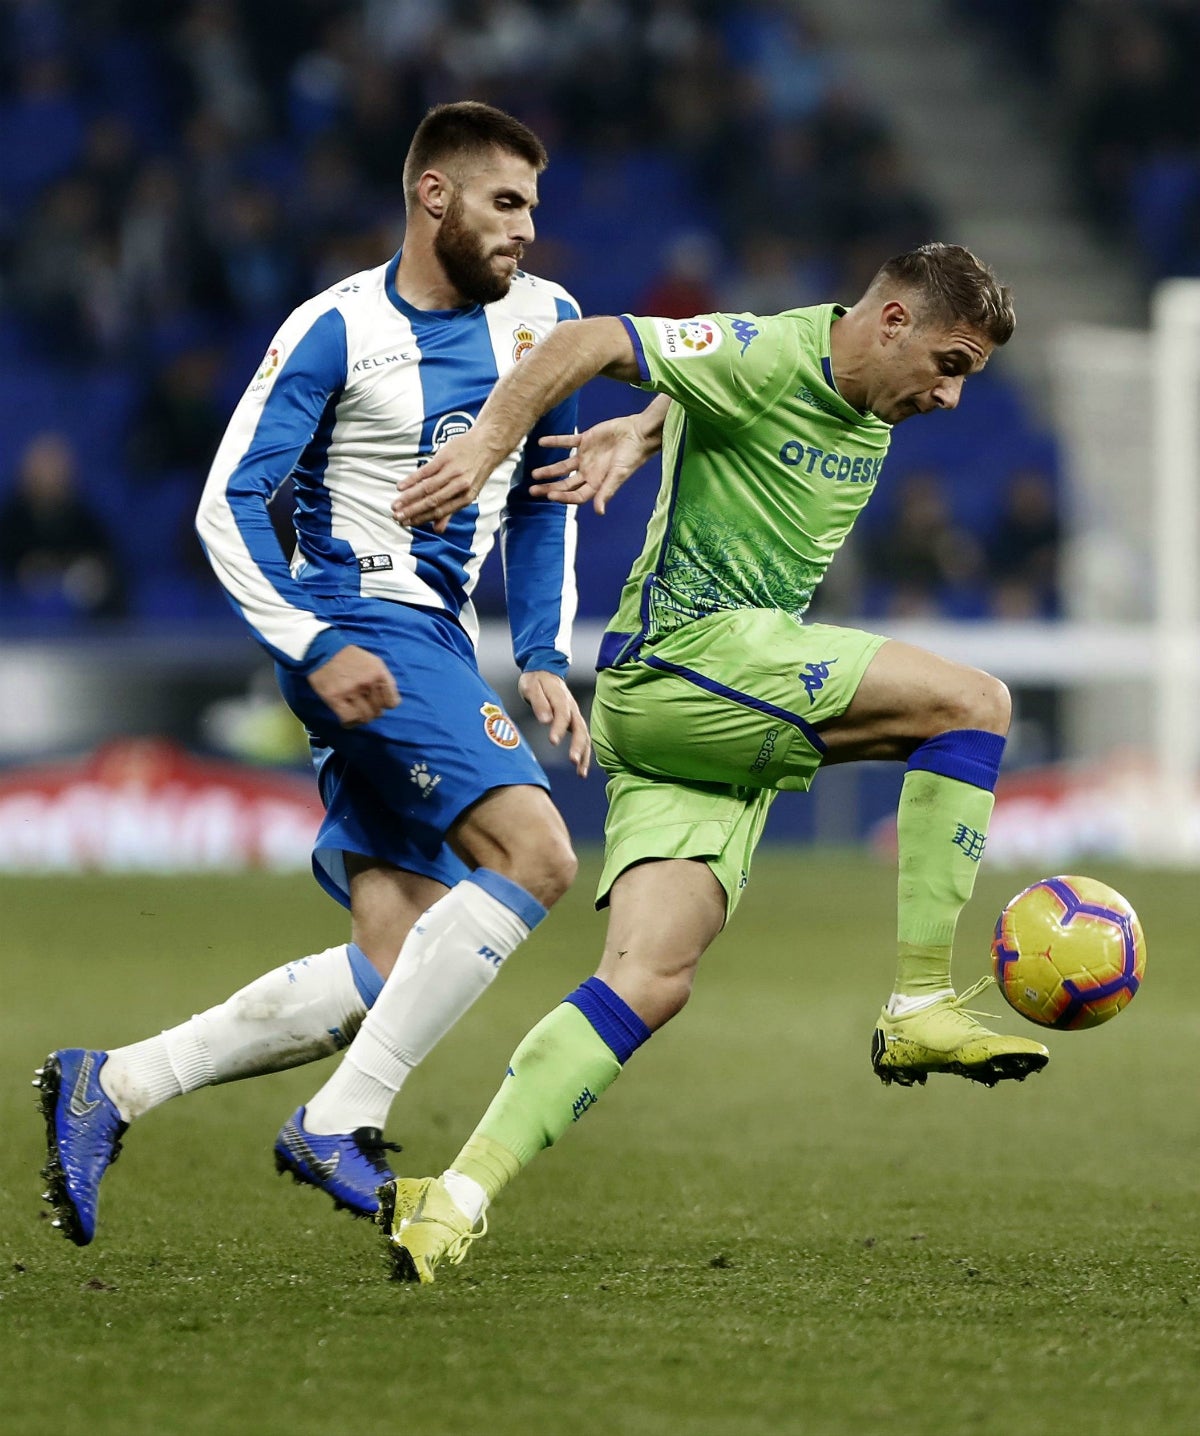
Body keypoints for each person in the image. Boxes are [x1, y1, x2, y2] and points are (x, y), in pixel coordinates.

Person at [376, 241, 1051, 1283]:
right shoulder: (766, 351)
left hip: (712, 705)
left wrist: (650, 426)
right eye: (949, 363)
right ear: (890, 322)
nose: (953, 397)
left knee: (650, 977)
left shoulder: (852, 389)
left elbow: (701, 389)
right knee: (973, 703)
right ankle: (920, 1000)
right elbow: (585, 338)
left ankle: (451, 1196)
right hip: (687, 660)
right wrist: (488, 449)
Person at [36, 101, 591, 1246]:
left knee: (397, 959)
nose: (526, 229)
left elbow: (543, 498)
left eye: (533, 207)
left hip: (432, 639)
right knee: (537, 854)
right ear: (431, 195)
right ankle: (340, 1119)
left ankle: (115, 1083)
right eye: (504, 202)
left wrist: (539, 649)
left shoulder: (551, 325)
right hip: (355, 623)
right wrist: (312, 640)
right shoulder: (334, 328)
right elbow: (227, 500)